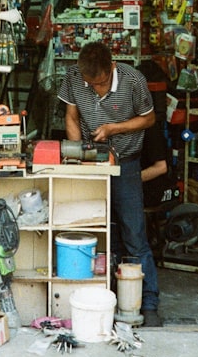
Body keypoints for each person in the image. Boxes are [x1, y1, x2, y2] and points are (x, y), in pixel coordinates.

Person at [58, 41, 163, 326]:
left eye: (102, 82)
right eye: (90, 84)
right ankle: (105, 297)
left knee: (134, 234)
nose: (96, 88)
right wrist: (77, 156)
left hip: (126, 163)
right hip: (90, 163)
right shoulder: (73, 77)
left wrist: (114, 128)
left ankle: (149, 302)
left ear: (112, 67)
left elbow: (149, 118)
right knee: (96, 229)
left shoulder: (133, 80)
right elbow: (71, 116)